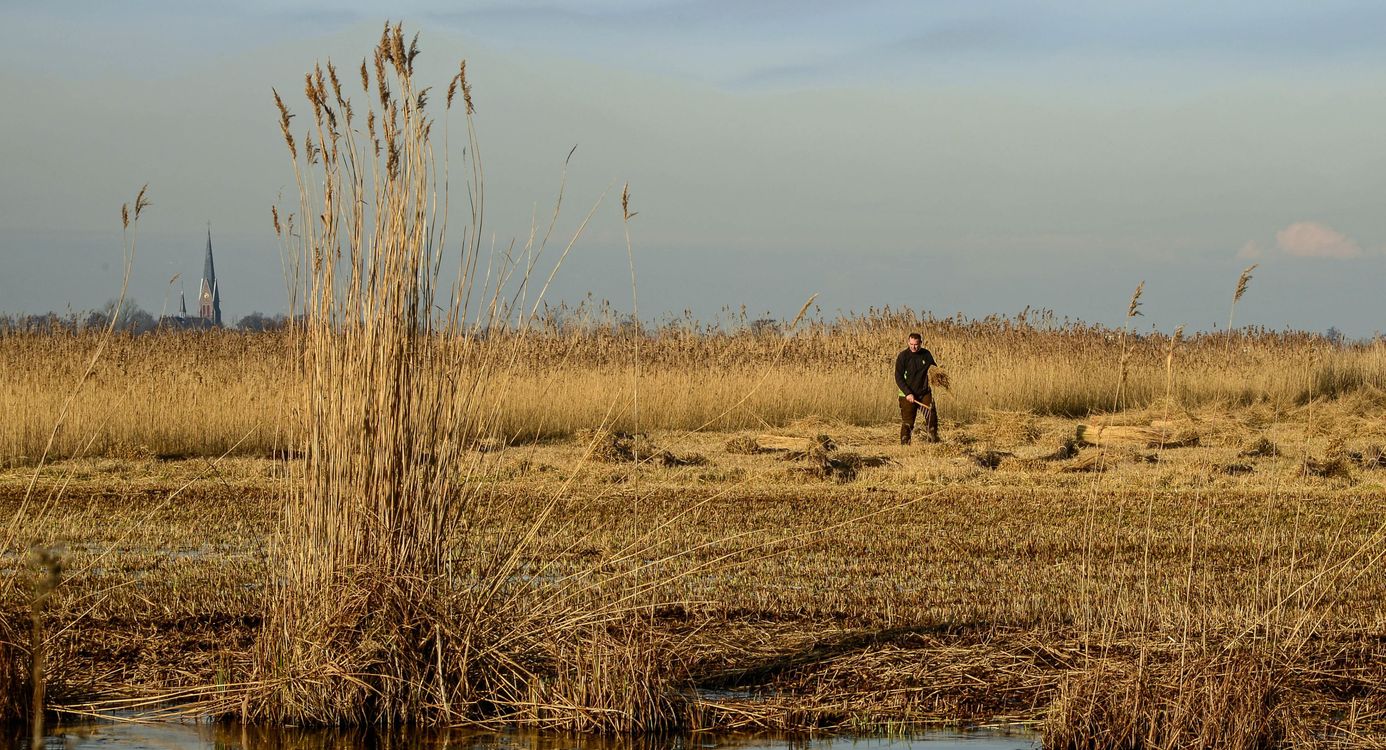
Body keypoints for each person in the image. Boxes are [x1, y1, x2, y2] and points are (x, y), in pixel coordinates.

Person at [894, 332, 939, 444]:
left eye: (916, 344)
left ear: (921, 343)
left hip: (924, 392)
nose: (914, 347)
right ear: (908, 342)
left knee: (931, 415)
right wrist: (908, 393)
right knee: (908, 422)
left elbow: (933, 369)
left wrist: (938, 377)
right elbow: (898, 377)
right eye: (912, 344)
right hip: (907, 394)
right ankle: (905, 444)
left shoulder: (926, 354)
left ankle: (933, 442)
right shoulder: (903, 356)